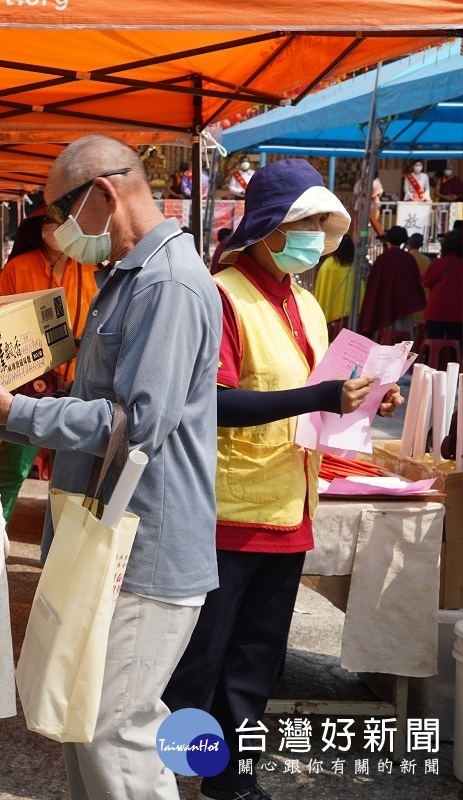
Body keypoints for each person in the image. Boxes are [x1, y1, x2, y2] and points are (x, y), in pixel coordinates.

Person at [0, 134, 222, 800]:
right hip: (106, 538)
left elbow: (137, 426)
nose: (58, 228)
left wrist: (16, 413)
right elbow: (93, 408)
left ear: (105, 194)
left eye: (60, 208)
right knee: (82, 720)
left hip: (142, 549)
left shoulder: (167, 284)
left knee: (116, 730)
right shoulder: (129, 277)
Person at [161, 159, 402, 800]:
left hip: (289, 503)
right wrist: (320, 396)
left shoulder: (304, 303)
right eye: (308, 226)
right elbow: (211, 402)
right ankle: (171, 760)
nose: (317, 242)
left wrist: (362, 396)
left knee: (257, 652)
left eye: (325, 229)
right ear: (271, 228)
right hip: (226, 507)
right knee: (201, 653)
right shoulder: (221, 295)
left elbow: (307, 390)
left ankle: (231, 771)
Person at [0, 209, 99, 526]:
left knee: (73, 469)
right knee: (13, 466)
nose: (58, 231)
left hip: (82, 382)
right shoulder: (18, 268)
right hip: (27, 383)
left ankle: (62, 546)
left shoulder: (94, 269)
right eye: (51, 224)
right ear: (40, 229)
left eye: (65, 224)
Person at [358, 225, 426, 339]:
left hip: (382, 308)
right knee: (403, 341)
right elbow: (415, 284)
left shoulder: (382, 259)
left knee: (384, 339)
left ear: (388, 239)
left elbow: (373, 286)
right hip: (404, 309)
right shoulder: (408, 259)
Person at [422, 228, 463, 344]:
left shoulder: (438, 263)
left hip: (436, 312)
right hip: (459, 313)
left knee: (433, 346)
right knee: (456, 349)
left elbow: (425, 282)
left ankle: (433, 362)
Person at [312, 233, 358, 325]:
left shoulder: (328, 265)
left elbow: (322, 288)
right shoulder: (354, 266)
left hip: (329, 312)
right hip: (351, 314)